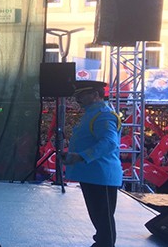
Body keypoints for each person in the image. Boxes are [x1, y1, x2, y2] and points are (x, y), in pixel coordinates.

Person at [63, 80, 122, 247]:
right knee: (98, 217)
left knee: (103, 219)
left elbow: (109, 143)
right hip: (93, 174)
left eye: (82, 95)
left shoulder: (104, 115)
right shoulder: (93, 114)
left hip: (101, 174)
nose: (78, 99)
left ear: (95, 95)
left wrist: (82, 156)